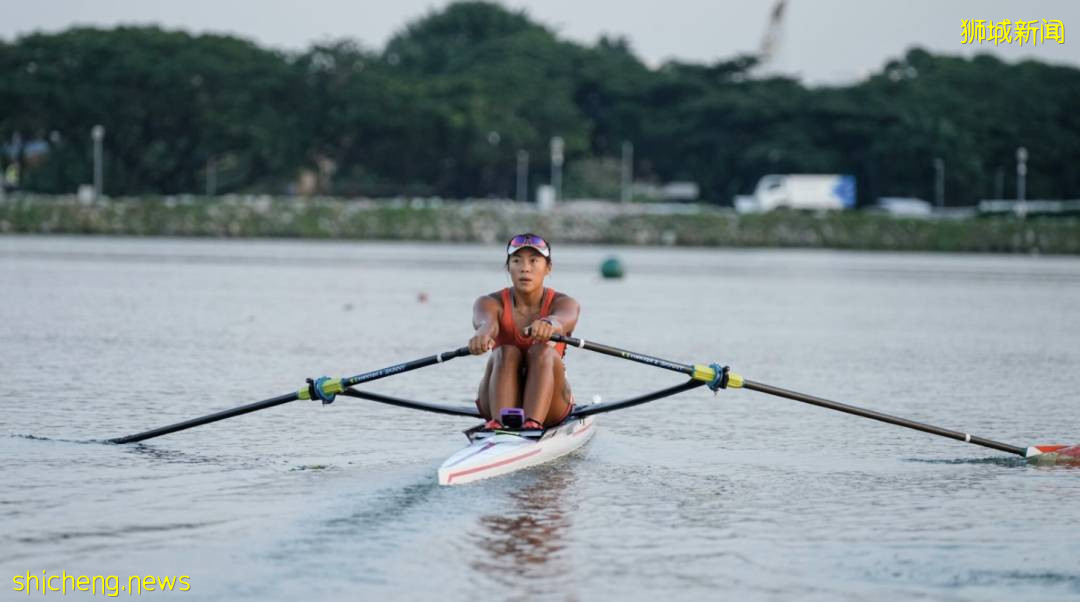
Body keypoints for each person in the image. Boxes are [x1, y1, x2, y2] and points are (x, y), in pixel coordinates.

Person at [468, 233, 580, 431]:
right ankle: (501, 422)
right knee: (505, 352)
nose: (525, 268)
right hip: (494, 402)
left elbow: (563, 319)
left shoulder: (564, 303)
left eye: (534, 261)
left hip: (551, 407)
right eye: (517, 260)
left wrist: (548, 323)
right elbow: (486, 322)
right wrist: (483, 333)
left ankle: (532, 423)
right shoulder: (489, 302)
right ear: (508, 267)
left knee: (542, 351)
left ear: (548, 268)